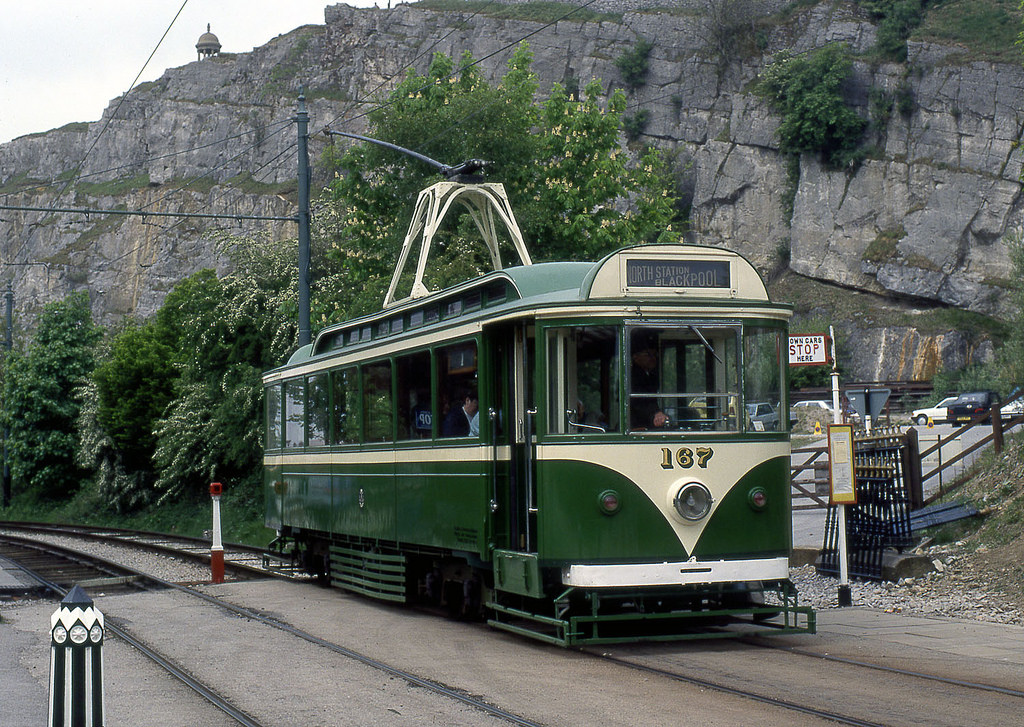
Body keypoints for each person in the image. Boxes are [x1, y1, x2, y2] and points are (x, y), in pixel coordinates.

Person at [630, 336, 668, 429]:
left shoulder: (650, 375)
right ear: (635, 357)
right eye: (648, 355)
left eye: (655, 355)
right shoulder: (632, 377)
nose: (653, 358)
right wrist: (655, 413)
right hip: (636, 426)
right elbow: (638, 400)